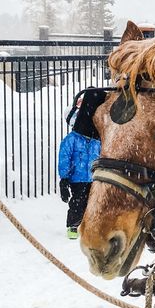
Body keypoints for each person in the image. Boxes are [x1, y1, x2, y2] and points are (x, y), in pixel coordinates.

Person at [58, 96, 101, 240]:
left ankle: (91, 227)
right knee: (78, 202)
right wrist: (64, 178)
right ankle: (73, 226)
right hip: (77, 178)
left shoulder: (97, 140)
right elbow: (65, 157)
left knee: (95, 203)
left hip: (95, 177)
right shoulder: (72, 139)